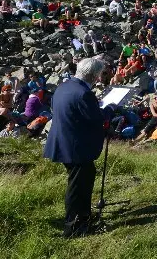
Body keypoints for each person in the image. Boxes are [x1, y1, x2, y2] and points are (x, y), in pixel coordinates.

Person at [43, 58, 112, 238]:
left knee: (83, 179)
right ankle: (73, 227)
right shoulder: (84, 93)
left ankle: (84, 217)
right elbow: (97, 118)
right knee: (77, 186)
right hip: (76, 147)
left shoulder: (64, 87)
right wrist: (110, 109)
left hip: (63, 142)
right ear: (95, 75)